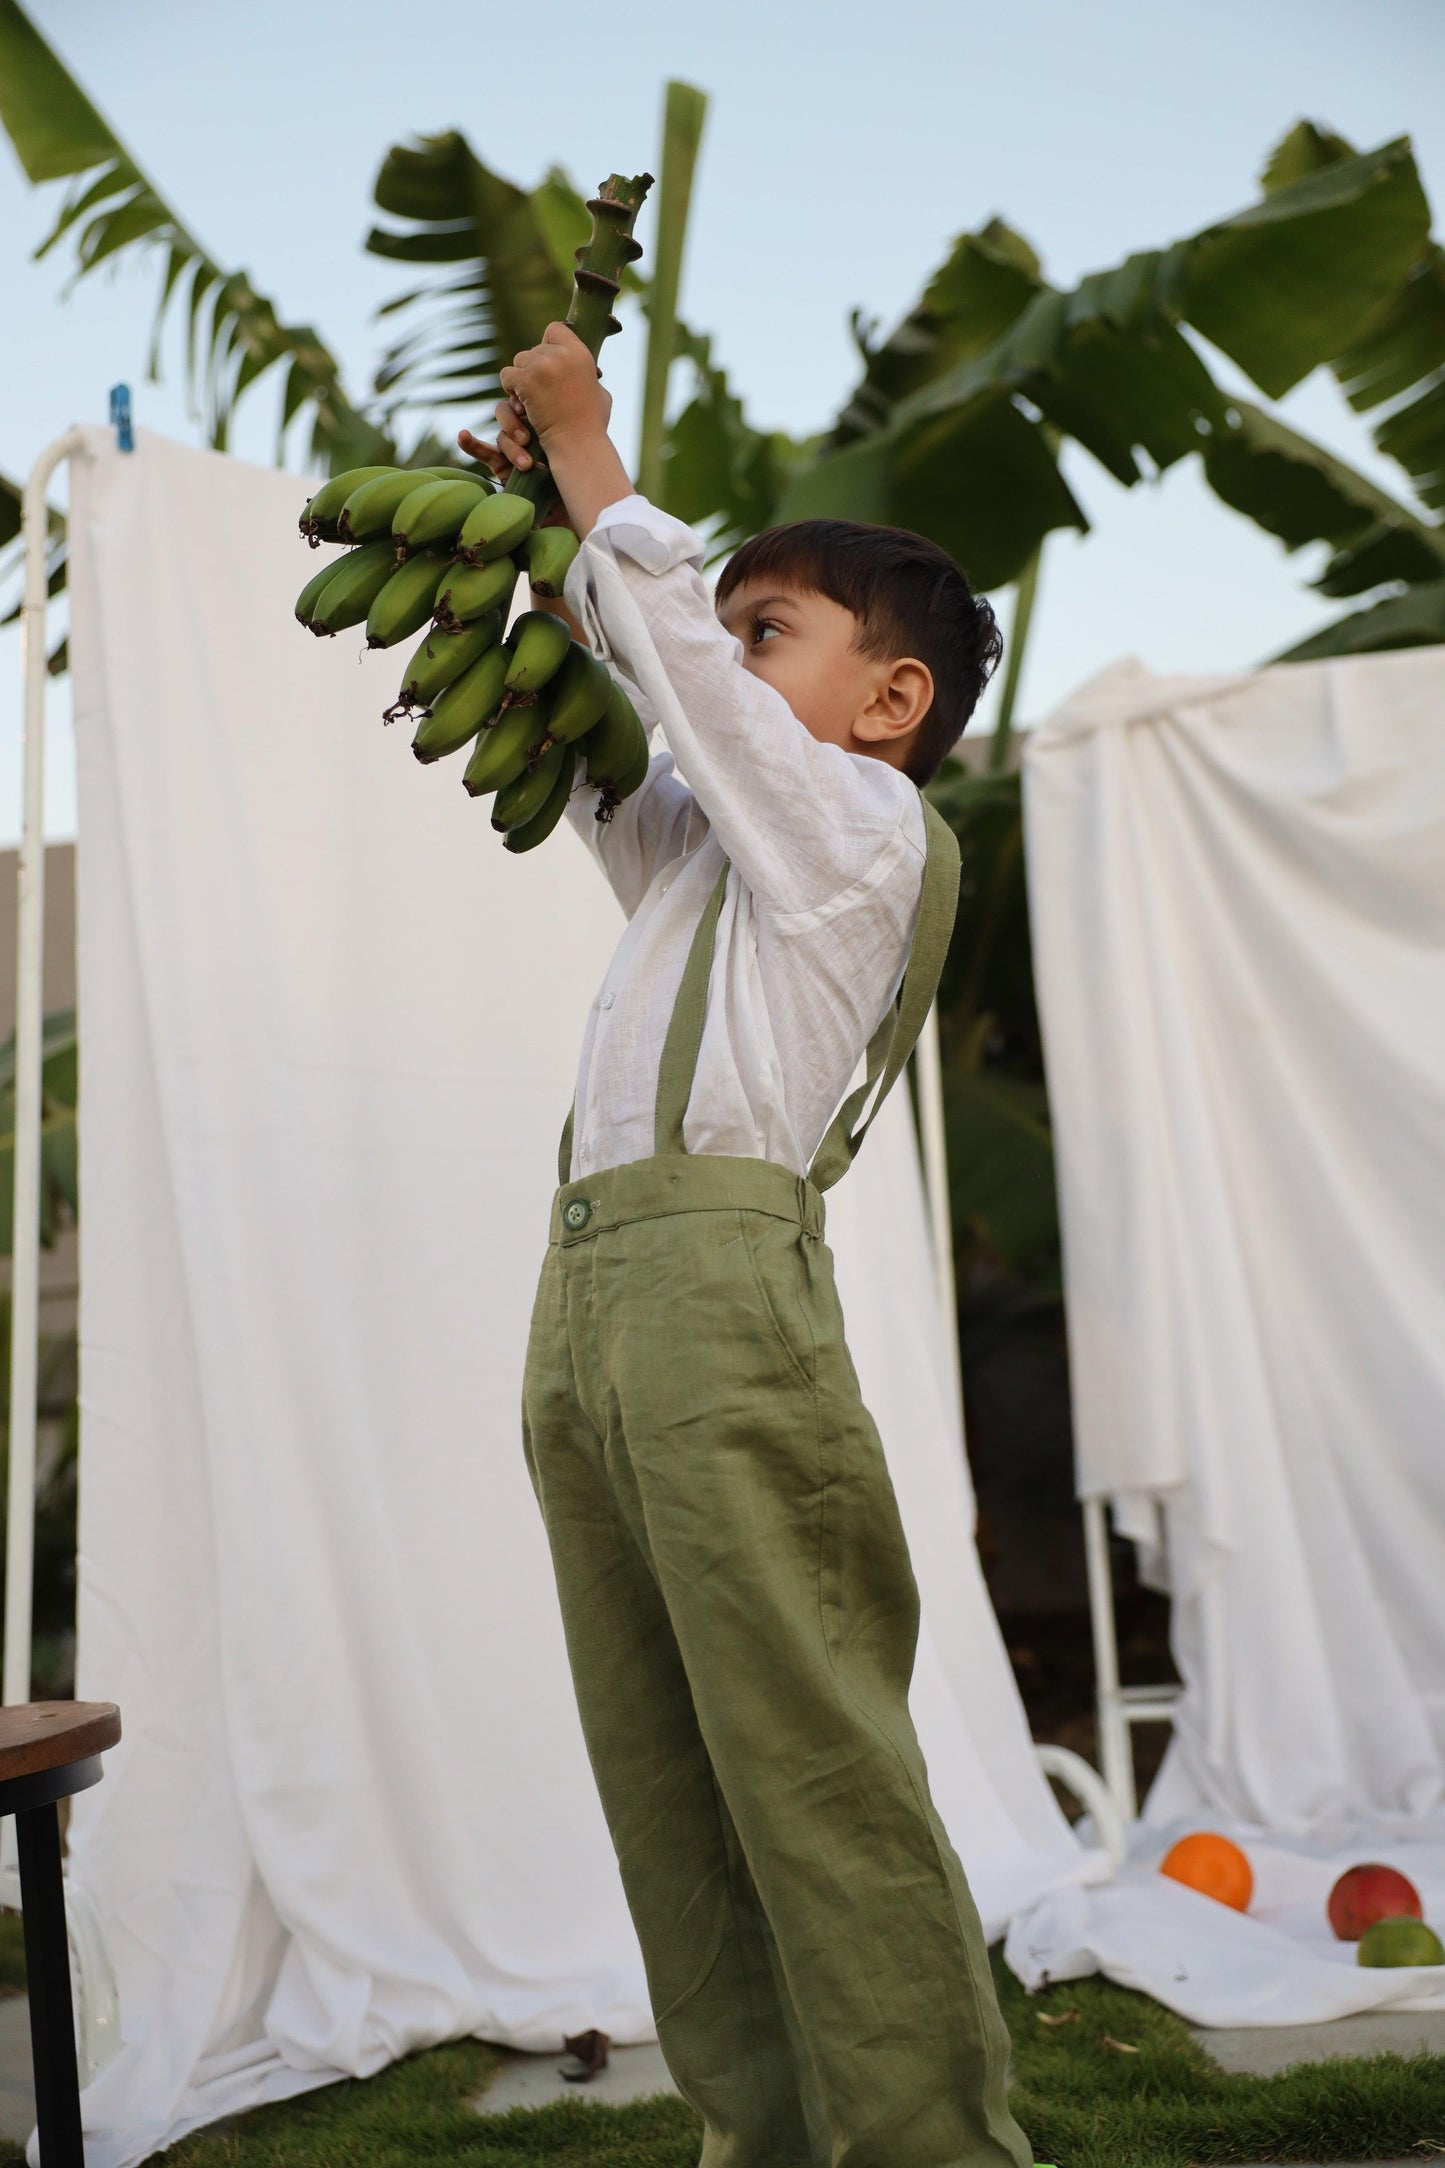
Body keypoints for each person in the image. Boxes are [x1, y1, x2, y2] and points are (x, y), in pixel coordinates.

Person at [459, 321, 1043, 2168]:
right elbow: (611, 775)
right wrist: (541, 583)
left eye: (764, 630)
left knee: (807, 1757)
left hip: (719, 1311)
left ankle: (925, 2144)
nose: (717, 656)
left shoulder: (861, 832)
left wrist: (591, 459)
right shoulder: (720, 849)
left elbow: (689, 692)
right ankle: (767, 2137)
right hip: (589, 1302)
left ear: (889, 703)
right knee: (663, 1765)